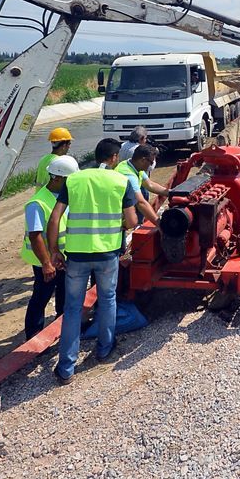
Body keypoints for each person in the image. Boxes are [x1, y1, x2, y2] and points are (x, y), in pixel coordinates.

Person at [47, 138, 137, 385]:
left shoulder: (74, 179)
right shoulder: (121, 181)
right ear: (115, 157)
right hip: (107, 254)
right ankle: (104, 349)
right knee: (108, 300)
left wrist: (54, 251)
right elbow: (131, 221)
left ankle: (66, 367)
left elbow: (55, 219)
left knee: (73, 308)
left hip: (76, 255)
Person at [20, 155, 80, 339]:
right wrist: (46, 263)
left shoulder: (64, 196)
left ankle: (62, 327)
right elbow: (35, 235)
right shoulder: (37, 203)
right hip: (45, 261)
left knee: (63, 292)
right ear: (57, 178)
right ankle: (33, 336)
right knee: (41, 297)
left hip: (62, 257)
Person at [115, 144, 169, 226]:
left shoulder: (131, 165)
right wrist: (159, 223)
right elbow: (140, 203)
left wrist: (171, 193)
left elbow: (150, 184)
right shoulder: (129, 175)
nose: (151, 165)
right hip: (117, 215)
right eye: (150, 162)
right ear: (143, 160)